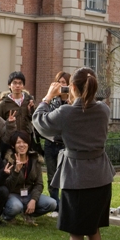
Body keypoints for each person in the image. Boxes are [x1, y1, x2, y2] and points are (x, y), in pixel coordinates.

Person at [33, 67, 115, 240]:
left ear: (74, 88)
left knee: (76, 232)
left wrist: (48, 97)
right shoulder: (104, 110)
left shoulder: (66, 113)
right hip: (100, 175)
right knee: (94, 230)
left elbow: (40, 123)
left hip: (76, 177)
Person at [2, 130, 57, 224]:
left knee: (52, 203)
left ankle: (27, 214)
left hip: (28, 194)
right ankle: (7, 216)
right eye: (18, 142)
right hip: (13, 194)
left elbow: (39, 184)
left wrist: (33, 200)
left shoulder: (35, 160)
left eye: (24, 142)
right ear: (13, 146)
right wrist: (16, 172)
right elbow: (6, 187)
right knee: (16, 206)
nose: (22, 145)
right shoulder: (8, 161)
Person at [43, 71, 71, 209]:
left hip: (65, 145)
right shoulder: (51, 100)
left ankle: (65, 205)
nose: (61, 85)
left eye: (64, 83)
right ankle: (55, 204)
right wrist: (53, 96)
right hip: (51, 143)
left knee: (65, 176)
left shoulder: (73, 102)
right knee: (51, 176)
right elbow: (46, 118)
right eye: (59, 82)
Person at [0, 72, 36, 137]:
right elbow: (0, 122)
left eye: (20, 83)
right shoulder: (3, 104)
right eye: (14, 83)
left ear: (23, 85)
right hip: (10, 137)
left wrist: (31, 111)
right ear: (9, 85)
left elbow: (34, 119)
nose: (17, 86)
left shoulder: (29, 101)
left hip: (26, 137)